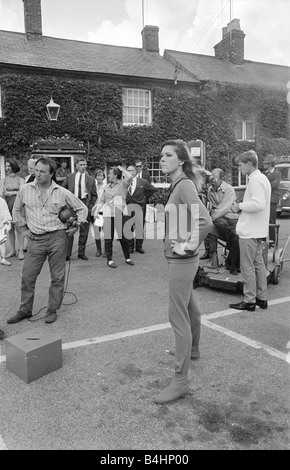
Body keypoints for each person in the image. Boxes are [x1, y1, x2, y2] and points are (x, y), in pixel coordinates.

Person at [155, 139, 212, 405]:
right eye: (161, 155)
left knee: (176, 314)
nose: (162, 159)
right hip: (181, 258)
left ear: (181, 160)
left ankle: (181, 380)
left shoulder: (185, 185)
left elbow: (205, 221)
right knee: (190, 307)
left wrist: (186, 247)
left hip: (182, 260)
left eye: (168, 155)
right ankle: (195, 350)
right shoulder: (178, 184)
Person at [6, 157, 88, 325]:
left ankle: (52, 309)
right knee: (27, 277)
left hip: (57, 238)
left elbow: (82, 208)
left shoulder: (62, 192)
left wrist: (76, 225)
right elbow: (17, 210)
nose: (37, 174)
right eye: (36, 170)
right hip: (35, 239)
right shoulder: (24, 189)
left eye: (42, 171)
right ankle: (25, 310)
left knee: (57, 277)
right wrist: (22, 229)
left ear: (51, 173)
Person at [229, 150, 271, 311]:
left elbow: (258, 204)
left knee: (247, 265)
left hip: (250, 230)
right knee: (259, 264)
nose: (239, 168)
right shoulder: (262, 178)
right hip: (258, 229)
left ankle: (249, 300)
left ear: (248, 163)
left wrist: (238, 206)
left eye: (240, 165)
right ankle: (262, 298)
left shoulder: (255, 180)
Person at [92, 165, 134, 268]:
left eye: (110, 173)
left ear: (115, 175)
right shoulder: (106, 187)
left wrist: (122, 169)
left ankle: (127, 257)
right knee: (108, 238)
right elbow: (102, 200)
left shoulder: (123, 184)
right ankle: (109, 259)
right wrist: (96, 212)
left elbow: (129, 177)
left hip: (120, 214)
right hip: (108, 214)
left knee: (123, 237)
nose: (108, 175)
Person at [200, 168, 240, 275]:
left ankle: (231, 261)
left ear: (221, 178)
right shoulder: (209, 190)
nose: (212, 180)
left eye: (215, 178)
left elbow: (223, 208)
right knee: (223, 227)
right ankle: (233, 262)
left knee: (237, 236)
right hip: (218, 218)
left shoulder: (229, 189)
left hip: (229, 215)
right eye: (211, 177)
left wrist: (210, 217)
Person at [63, 157, 97, 260]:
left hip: (84, 204)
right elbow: (63, 190)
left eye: (84, 164)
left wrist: (89, 207)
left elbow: (94, 195)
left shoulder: (91, 179)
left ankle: (81, 253)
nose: (83, 167)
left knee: (84, 230)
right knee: (69, 229)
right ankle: (67, 254)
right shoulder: (70, 177)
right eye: (81, 165)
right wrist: (66, 204)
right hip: (72, 205)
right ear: (76, 165)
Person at [126, 165, 158, 254]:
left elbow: (153, 189)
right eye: (127, 170)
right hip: (127, 207)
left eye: (131, 170)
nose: (128, 172)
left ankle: (139, 247)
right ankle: (130, 247)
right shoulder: (124, 182)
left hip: (140, 207)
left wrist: (145, 197)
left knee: (139, 228)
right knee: (128, 228)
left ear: (135, 172)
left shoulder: (143, 182)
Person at [0, 158, 25, 260]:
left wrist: (10, 192)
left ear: (14, 166)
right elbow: (2, 193)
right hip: (7, 204)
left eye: (9, 166)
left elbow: (22, 193)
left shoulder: (21, 180)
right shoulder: (3, 180)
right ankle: (12, 250)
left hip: (18, 205)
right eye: (6, 166)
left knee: (19, 228)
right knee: (10, 229)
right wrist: (15, 192)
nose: (7, 168)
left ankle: (21, 251)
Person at [262, 155, 282, 247]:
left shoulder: (277, 173)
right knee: (262, 221)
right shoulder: (263, 173)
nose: (263, 164)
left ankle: (273, 242)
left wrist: (265, 184)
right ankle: (263, 241)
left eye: (265, 163)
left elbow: (274, 185)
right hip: (264, 200)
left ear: (270, 164)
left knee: (272, 221)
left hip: (272, 200)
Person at [93, 169, 106, 257]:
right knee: (97, 231)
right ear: (96, 177)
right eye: (98, 175)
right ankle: (98, 249)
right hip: (95, 211)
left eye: (101, 175)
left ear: (104, 177)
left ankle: (106, 250)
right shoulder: (93, 186)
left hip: (104, 211)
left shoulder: (106, 187)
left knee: (106, 231)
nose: (99, 177)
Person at [0, 196, 12, 266]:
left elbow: (6, 213)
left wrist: (6, 223)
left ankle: (2, 258)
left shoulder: (1, 201)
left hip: (1, 223)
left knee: (1, 241)